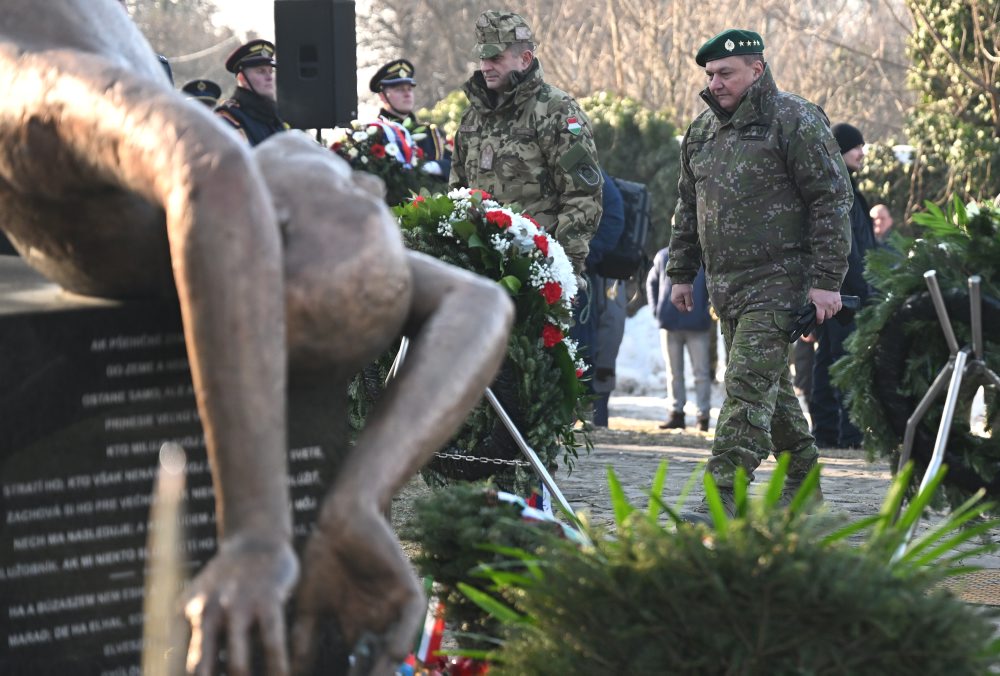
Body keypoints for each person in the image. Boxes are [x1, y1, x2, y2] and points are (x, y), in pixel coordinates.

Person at [0, 2, 514, 674]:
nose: (363, 182)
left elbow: (479, 302)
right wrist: (255, 533)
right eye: (355, 188)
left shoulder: (204, 221)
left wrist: (359, 500)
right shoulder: (54, 100)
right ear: (267, 222)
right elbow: (215, 171)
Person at [668, 28, 852, 519]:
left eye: (726, 73)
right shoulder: (702, 132)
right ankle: (804, 480)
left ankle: (721, 495)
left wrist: (827, 281)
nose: (716, 83)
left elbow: (831, 200)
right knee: (767, 389)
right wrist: (681, 271)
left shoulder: (794, 119)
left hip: (781, 281)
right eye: (710, 74)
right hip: (727, 287)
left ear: (757, 69)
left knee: (746, 387)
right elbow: (688, 207)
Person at [449, 10, 603, 276]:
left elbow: (582, 196)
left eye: (495, 58)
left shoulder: (557, 111)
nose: (485, 67)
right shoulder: (472, 117)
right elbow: (457, 191)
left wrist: (564, 267)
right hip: (478, 269)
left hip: (537, 269)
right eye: (483, 58)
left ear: (525, 59)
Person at [810, 123, 880, 449]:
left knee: (829, 360)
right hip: (841, 293)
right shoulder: (837, 191)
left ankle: (828, 432)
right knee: (843, 362)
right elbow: (845, 247)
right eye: (856, 146)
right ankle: (847, 434)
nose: (862, 152)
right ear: (839, 149)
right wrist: (855, 290)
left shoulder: (850, 190)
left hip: (844, 291)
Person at [569, 169, 625, 427]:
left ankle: (593, 413)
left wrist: (586, 255)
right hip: (572, 268)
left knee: (591, 342)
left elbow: (613, 219)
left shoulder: (593, 176)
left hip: (589, 275)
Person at [647, 247, 713, 432]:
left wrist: (707, 310)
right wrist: (657, 309)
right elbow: (651, 282)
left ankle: (703, 416)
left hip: (697, 323)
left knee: (701, 373)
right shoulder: (663, 256)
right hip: (670, 322)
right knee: (673, 373)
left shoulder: (704, 255)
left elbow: (714, 284)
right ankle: (676, 414)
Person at [370, 58, 451, 177]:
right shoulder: (374, 134)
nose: (407, 94)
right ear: (382, 96)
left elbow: (459, 167)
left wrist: (437, 167)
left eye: (409, 89)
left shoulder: (433, 134)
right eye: (399, 89)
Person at [215, 38, 290, 146]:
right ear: (242, 79)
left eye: (271, 71)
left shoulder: (275, 119)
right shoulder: (229, 119)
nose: (269, 77)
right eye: (261, 71)